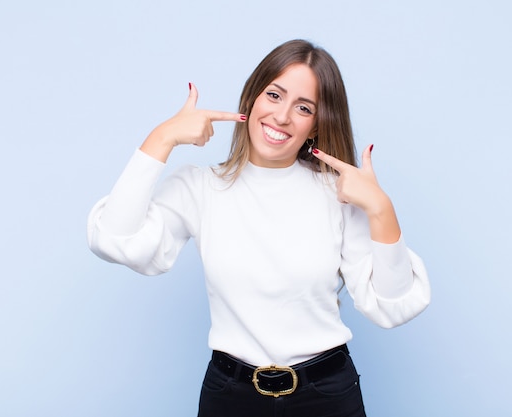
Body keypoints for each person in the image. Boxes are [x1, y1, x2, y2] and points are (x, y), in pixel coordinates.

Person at [87, 39, 430, 417]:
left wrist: (382, 209)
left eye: (303, 107)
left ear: (316, 125)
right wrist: (161, 137)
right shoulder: (200, 188)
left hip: (327, 397)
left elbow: (392, 306)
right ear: (251, 99)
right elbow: (115, 241)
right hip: (229, 396)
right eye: (273, 95)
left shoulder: (341, 195)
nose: (282, 116)